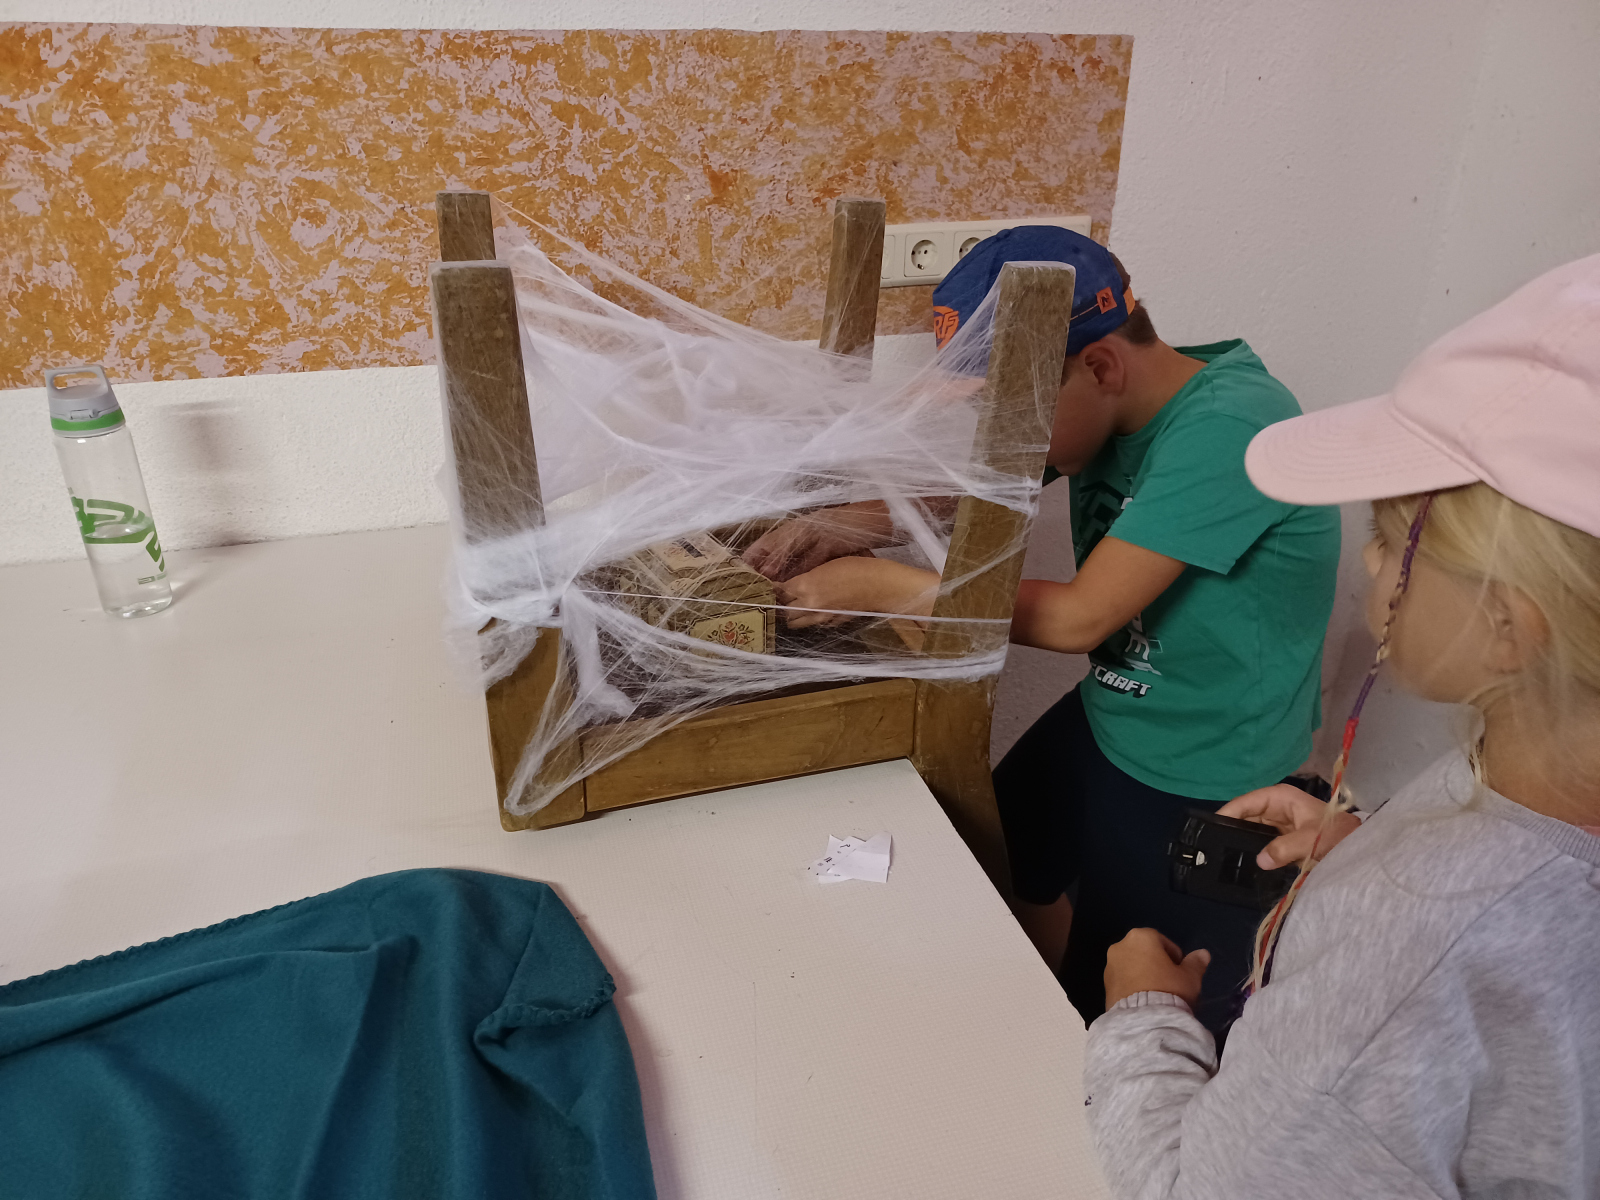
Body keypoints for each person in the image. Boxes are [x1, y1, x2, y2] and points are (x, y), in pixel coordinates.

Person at [1084, 255, 1600, 1196]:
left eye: (1392, 538)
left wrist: (1143, 1019)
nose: (1367, 567)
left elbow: (1192, 1188)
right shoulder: (1521, 801)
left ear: (1508, 626)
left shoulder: (1412, 952)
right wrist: (1372, 848)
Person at [744, 228, 1340, 1034]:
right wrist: (848, 525)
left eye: (1010, 413)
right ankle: (1034, 1012)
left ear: (1100, 366)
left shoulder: (1233, 425)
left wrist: (884, 588)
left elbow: (1078, 617)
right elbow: (984, 484)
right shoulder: (1114, 404)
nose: (1003, 435)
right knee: (1001, 842)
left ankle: (1092, 1049)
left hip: (1207, 759)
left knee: (1134, 972)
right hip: (1117, 709)